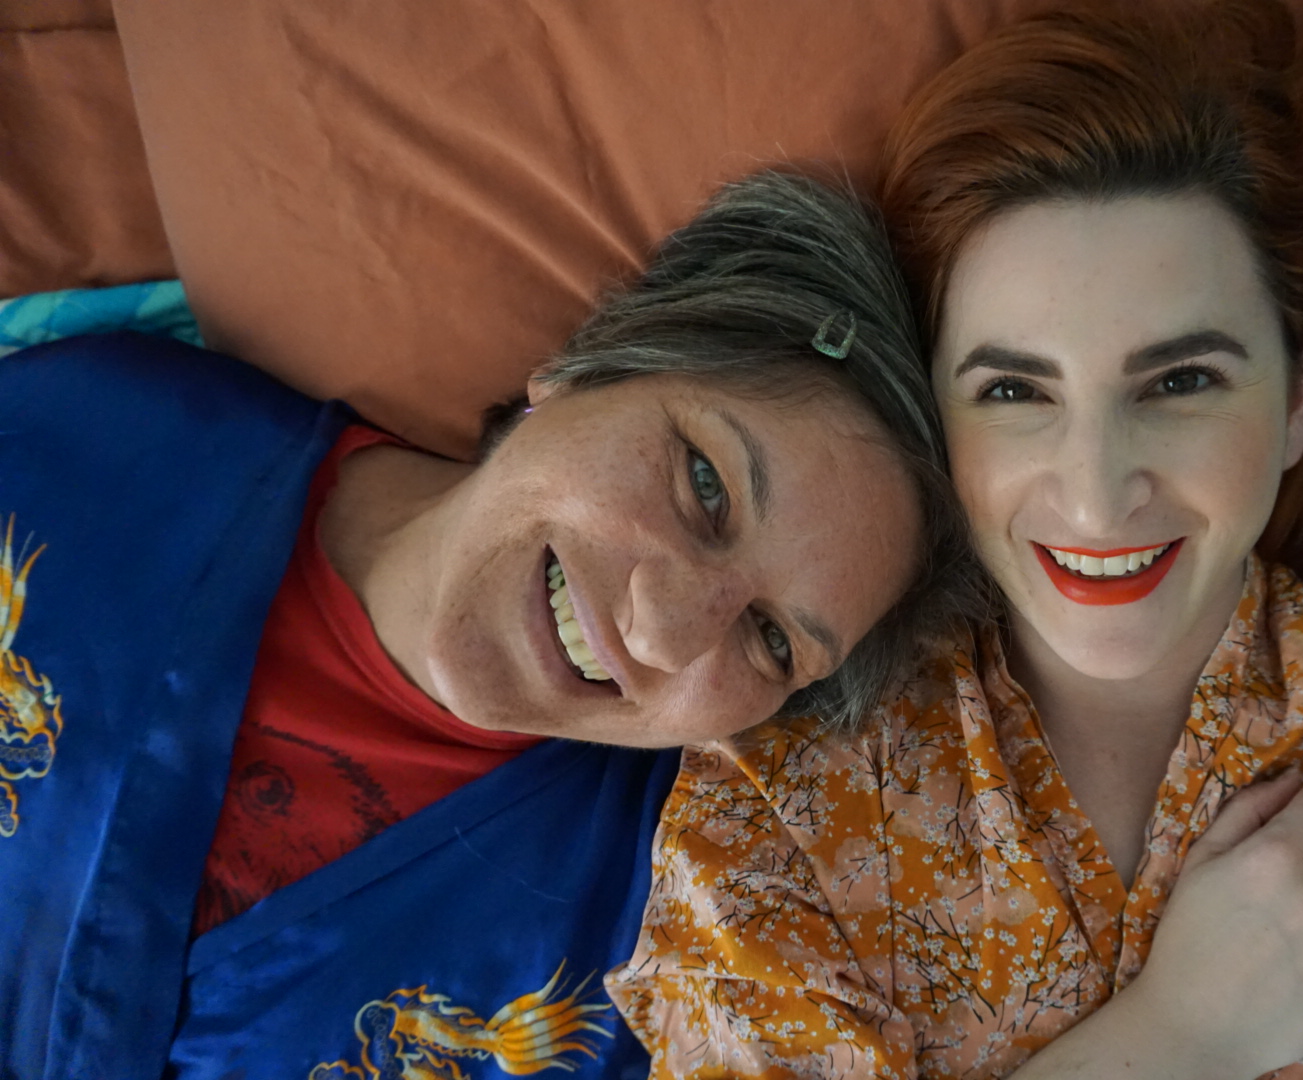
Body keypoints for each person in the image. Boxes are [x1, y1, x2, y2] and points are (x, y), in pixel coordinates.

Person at [605, 2, 1303, 1077]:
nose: (1094, 497)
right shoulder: (774, 814)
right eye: (1013, 391)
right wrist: (1180, 1037)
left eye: (1180, 382)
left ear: (1295, 402)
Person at [0, 171, 985, 1080]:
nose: (662, 631)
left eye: (771, 640)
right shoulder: (87, 437)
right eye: (704, 482)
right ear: (585, 367)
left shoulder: (672, 960)